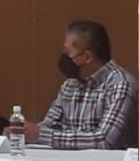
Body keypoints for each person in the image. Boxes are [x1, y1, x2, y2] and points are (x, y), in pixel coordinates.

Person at [21, 21, 137, 150]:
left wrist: (41, 136)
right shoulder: (70, 84)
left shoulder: (120, 84)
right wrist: (23, 134)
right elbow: (48, 126)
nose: (64, 58)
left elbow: (104, 140)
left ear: (87, 57)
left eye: (67, 52)